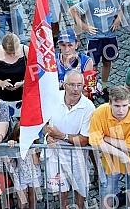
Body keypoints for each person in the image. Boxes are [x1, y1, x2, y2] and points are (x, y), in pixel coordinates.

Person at [43, 70, 95, 209]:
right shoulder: (53, 99)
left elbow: (85, 140)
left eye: (79, 85)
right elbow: (44, 124)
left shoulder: (88, 106)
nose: (76, 89)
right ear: (64, 85)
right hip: (55, 154)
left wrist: (61, 136)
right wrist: (47, 136)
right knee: (61, 188)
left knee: (80, 187)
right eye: (72, 85)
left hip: (77, 156)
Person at [89, 86, 130, 209]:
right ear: (109, 103)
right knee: (108, 190)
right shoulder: (99, 113)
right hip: (110, 162)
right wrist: (121, 154)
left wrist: (106, 139)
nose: (121, 110)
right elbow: (94, 142)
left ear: (129, 103)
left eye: (125, 106)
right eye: (117, 106)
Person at [70, 0, 121, 99]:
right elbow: (72, 10)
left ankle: (103, 86)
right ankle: (92, 88)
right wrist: (85, 26)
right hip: (94, 38)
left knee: (107, 62)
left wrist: (118, 20)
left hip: (110, 36)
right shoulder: (90, 1)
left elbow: (121, 8)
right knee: (92, 65)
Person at [7, 122, 42, 209]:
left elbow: (36, 162)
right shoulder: (16, 145)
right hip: (20, 176)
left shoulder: (34, 145)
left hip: (34, 176)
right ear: (17, 136)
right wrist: (12, 146)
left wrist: (31, 148)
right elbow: (8, 160)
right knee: (21, 202)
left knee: (33, 200)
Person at [0, 33, 28, 102]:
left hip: (24, 92)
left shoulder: (26, 51)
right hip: (2, 94)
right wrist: (0, 83)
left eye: (14, 52)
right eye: (8, 53)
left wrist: (23, 83)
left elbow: (35, 72)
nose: (12, 55)